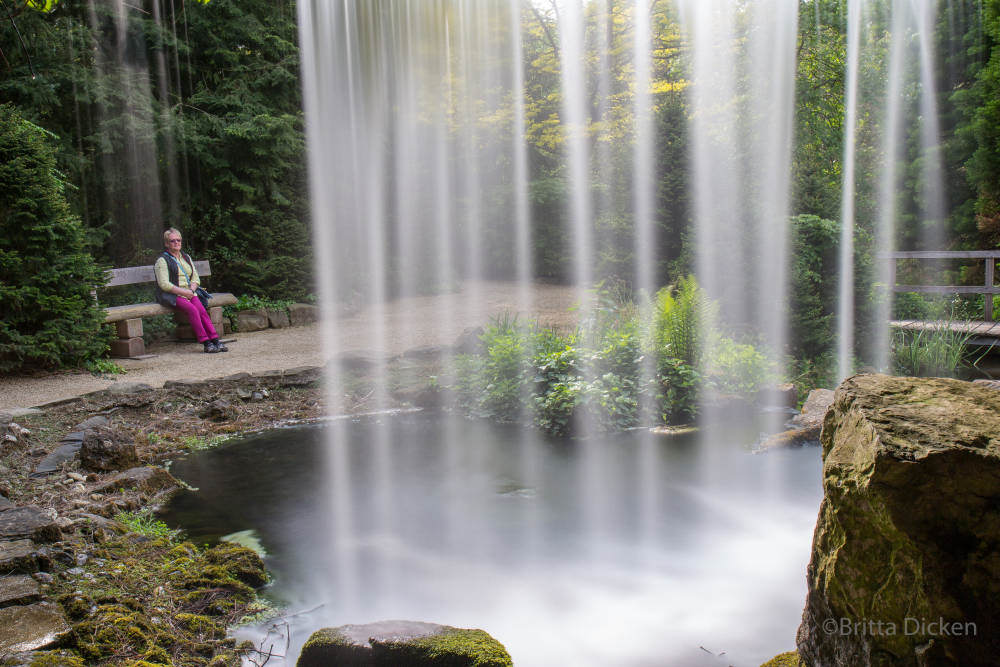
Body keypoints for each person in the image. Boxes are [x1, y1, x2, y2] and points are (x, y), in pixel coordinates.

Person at [154, 228, 228, 353]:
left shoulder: (186, 257)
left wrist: (192, 289)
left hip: (189, 292)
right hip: (171, 294)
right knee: (192, 310)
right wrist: (185, 293)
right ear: (167, 243)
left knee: (202, 311)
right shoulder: (162, 260)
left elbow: (195, 277)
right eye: (172, 241)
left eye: (178, 240)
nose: (176, 243)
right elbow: (164, 284)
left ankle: (215, 340)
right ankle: (206, 342)